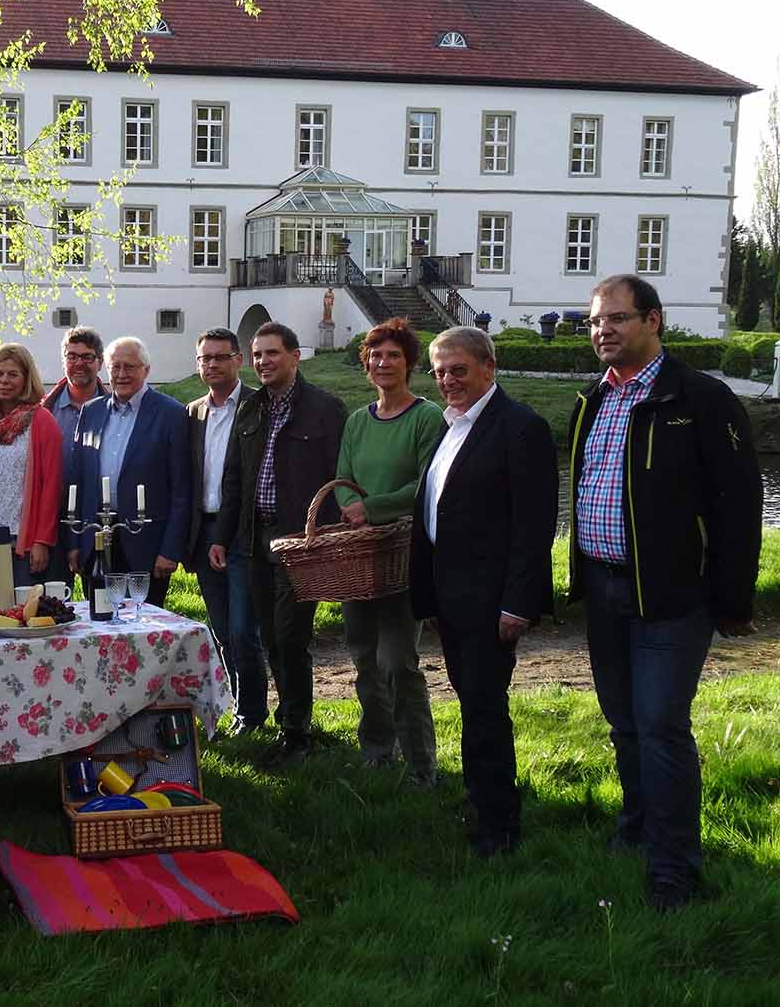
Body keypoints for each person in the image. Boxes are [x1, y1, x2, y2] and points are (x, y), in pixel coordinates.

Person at [569, 275, 762, 911]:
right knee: (623, 723)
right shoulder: (593, 399)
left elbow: (739, 506)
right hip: (603, 587)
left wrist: (733, 599)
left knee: (659, 727)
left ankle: (675, 870)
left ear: (655, 321)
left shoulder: (700, 398)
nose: (603, 331)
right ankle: (637, 831)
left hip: (672, 596)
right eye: (596, 322)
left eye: (617, 319)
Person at [410, 326, 557, 858]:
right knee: (472, 703)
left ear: (489, 368)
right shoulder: (451, 427)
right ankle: (482, 803)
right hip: (452, 596)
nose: (447, 380)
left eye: (459, 370)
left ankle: (499, 827)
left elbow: (534, 525)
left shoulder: (521, 428)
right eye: (439, 371)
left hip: (490, 600)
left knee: (485, 709)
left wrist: (518, 602)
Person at [211, 322, 345, 767]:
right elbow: (234, 478)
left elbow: (339, 480)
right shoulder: (250, 410)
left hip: (300, 542)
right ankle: (286, 722)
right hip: (254, 540)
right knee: (270, 636)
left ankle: (297, 733)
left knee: (291, 637)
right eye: (258, 355)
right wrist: (222, 537)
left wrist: (323, 537)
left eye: (272, 353)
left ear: (294, 356)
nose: (264, 362)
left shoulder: (325, 410)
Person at [333, 318, 444, 785]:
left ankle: (422, 766)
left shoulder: (426, 416)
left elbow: (426, 484)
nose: (383, 363)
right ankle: (377, 751)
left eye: (393, 355)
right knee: (363, 659)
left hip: (402, 554)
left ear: (410, 363)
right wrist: (353, 511)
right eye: (375, 355)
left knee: (398, 663)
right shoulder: (358, 420)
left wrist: (371, 508)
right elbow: (342, 480)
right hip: (358, 559)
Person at [69, 337, 190, 609]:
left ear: (146, 370)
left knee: (142, 626)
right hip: (96, 539)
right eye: (115, 367)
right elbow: (78, 480)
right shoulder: (91, 411)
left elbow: (182, 488)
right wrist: (75, 542)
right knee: (99, 620)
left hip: (146, 544)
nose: (121, 374)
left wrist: (170, 550)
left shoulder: (170, 414)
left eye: (130, 367)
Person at [184, 328, 265, 733]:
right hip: (205, 532)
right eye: (205, 359)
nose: (212, 364)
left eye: (220, 357)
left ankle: (252, 713)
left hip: (242, 533)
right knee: (220, 630)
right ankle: (236, 705)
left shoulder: (257, 406)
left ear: (239, 360)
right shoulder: (194, 411)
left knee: (242, 629)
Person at [0, 343, 62, 588]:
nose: (4, 381)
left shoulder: (42, 421)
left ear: (26, 379)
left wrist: (42, 541)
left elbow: (52, 485)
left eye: (13, 374)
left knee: (25, 616)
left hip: (26, 538)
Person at [42, 326, 107, 586]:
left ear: (100, 362)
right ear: (64, 361)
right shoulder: (45, 412)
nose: (79, 363)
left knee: (102, 606)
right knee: (54, 605)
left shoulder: (113, 410)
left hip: (99, 519)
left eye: (87, 357)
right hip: (53, 520)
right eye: (72, 356)